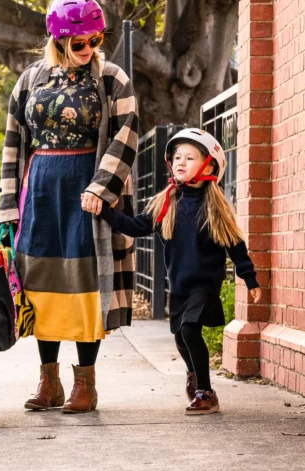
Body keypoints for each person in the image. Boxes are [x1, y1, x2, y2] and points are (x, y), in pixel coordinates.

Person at [0, 0, 138, 414]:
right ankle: (48, 381)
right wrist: (8, 206)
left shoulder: (112, 78)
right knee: (41, 285)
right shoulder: (29, 80)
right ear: (57, 41)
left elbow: (126, 134)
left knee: (85, 284)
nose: (89, 49)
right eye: (79, 43)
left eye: (95, 40)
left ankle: (85, 384)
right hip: (39, 191)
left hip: (87, 193)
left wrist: (100, 187)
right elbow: (12, 143)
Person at [100, 128, 263, 415]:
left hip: (204, 284)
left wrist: (249, 278)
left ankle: (205, 392)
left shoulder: (215, 207)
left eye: (190, 157)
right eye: (177, 157)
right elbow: (137, 227)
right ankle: (194, 374)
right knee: (179, 335)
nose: (181, 162)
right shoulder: (167, 203)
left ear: (209, 165)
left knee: (189, 329)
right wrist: (104, 211)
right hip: (179, 285)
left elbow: (235, 245)